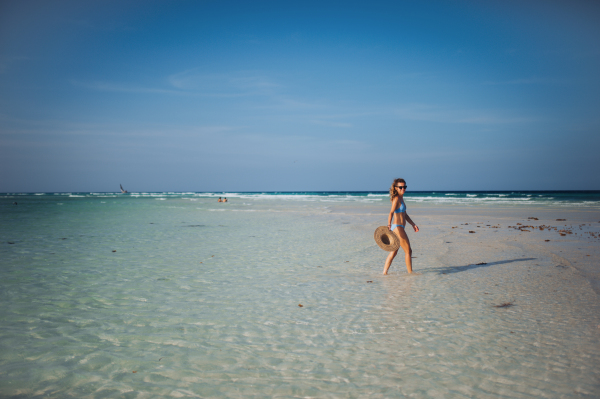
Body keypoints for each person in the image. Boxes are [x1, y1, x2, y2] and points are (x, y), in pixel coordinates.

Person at [383, 178, 419, 275]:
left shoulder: (401, 198)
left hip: (399, 227)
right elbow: (391, 213)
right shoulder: (396, 199)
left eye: (404, 187)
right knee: (408, 251)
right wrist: (389, 225)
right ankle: (410, 273)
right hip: (397, 227)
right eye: (401, 187)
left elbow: (405, 215)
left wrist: (413, 224)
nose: (403, 189)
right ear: (396, 188)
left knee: (394, 252)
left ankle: (384, 273)